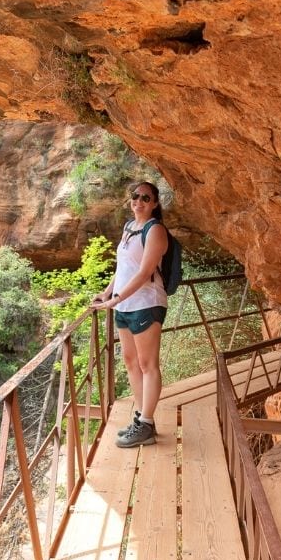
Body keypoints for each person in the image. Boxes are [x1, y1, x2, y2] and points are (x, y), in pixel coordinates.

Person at [93, 181, 169, 448]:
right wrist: (107, 293)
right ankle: (141, 418)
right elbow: (123, 267)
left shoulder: (155, 230)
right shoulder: (129, 227)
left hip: (146, 303)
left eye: (145, 198)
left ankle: (146, 423)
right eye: (135, 196)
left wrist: (116, 298)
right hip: (124, 305)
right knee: (130, 361)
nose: (139, 201)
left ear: (155, 203)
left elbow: (144, 272)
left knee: (148, 365)